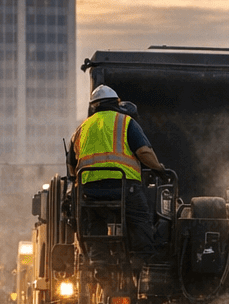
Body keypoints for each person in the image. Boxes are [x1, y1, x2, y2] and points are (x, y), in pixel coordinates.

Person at [71, 84, 167, 263]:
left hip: (90, 191)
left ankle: (99, 263)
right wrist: (159, 169)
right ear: (116, 102)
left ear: (94, 106)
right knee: (139, 218)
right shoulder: (125, 122)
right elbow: (143, 152)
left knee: (94, 221)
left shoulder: (81, 129)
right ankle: (143, 261)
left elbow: (71, 166)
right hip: (123, 189)